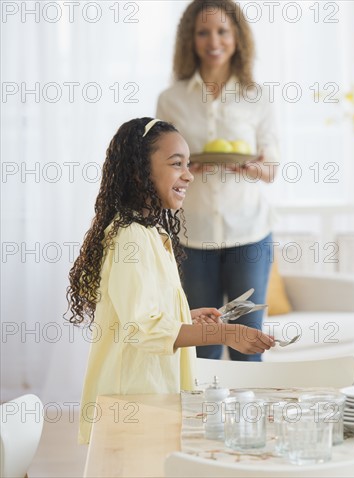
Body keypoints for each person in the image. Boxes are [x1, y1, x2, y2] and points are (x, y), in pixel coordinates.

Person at [65, 118, 274, 444]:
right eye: (177, 164)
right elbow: (141, 328)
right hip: (133, 401)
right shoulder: (130, 239)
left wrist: (186, 318)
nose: (189, 174)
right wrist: (225, 332)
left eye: (188, 164)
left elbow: (141, 314)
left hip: (150, 395)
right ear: (139, 171)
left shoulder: (151, 232)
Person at [156, 0, 279, 362]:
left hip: (250, 233)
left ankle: (249, 417)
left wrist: (249, 167)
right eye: (203, 32)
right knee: (202, 345)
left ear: (237, 37)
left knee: (249, 341)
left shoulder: (256, 96)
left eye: (223, 31)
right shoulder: (171, 99)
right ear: (189, 39)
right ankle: (202, 417)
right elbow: (161, 167)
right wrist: (186, 165)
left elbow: (270, 167)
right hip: (192, 236)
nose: (214, 40)